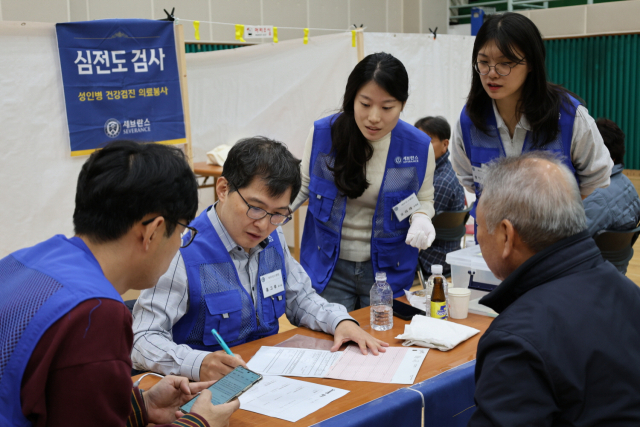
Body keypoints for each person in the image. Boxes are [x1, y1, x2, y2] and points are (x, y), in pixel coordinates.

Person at [0, 141, 238, 427]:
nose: (179, 245)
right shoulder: (96, 314)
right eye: (183, 232)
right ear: (153, 231)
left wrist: (140, 405)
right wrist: (200, 424)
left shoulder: (22, 260)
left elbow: (64, 399)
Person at [132, 137, 387, 382]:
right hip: (206, 387)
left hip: (269, 378)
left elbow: (300, 298)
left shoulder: (273, 239)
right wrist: (197, 363)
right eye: (255, 207)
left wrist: (340, 321)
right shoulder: (181, 250)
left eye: (278, 214)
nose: (264, 224)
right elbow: (142, 338)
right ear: (223, 189)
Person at [469, 152, 640, 426]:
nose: (478, 236)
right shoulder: (627, 291)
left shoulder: (516, 341)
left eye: (479, 226)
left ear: (506, 235)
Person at [291, 52, 436, 310]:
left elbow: (423, 198)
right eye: (365, 104)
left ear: (402, 104)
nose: (374, 117)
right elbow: (301, 186)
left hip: (386, 271)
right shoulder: (325, 134)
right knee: (331, 342)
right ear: (352, 99)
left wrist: (422, 217)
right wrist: (268, 215)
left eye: (387, 107)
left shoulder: (418, 147)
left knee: (381, 343)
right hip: (328, 267)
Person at [450, 12, 613, 236]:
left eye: (505, 63)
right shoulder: (469, 121)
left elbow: (596, 179)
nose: (492, 74)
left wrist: (555, 216)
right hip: (492, 250)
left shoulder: (569, 117)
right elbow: (469, 182)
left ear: (531, 63)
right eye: (483, 63)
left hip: (554, 250)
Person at [583, 118, 640, 274]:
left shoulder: (596, 198)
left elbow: (568, 246)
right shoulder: (627, 184)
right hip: (616, 274)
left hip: (591, 277)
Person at [414, 116, 466, 276]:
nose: (420, 147)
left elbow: (417, 226)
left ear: (445, 144)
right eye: (417, 141)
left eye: (427, 141)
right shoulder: (441, 171)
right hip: (442, 252)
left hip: (433, 256)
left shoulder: (440, 181)